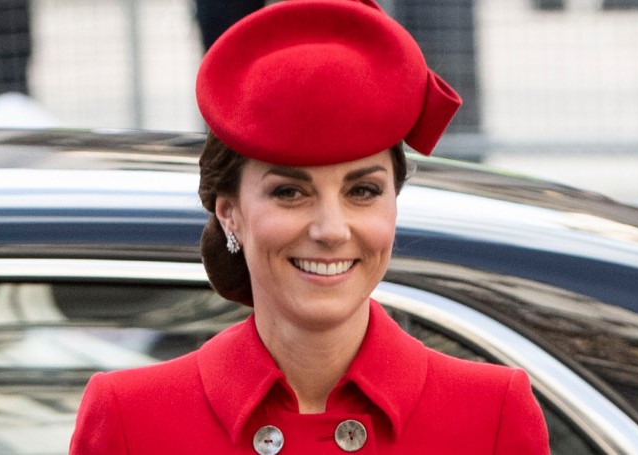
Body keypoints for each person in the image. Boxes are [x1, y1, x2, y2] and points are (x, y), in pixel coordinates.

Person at [70, 0, 550, 453]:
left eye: (362, 191)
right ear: (228, 211)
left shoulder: (492, 415)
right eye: (289, 192)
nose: (331, 229)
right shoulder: (131, 419)